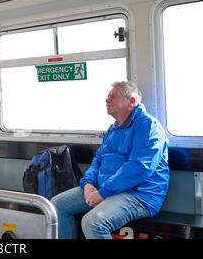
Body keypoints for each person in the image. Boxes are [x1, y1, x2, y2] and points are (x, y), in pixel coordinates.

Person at [50, 81, 169, 239]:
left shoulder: (148, 127)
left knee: (93, 222)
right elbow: (98, 160)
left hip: (139, 195)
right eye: (107, 97)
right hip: (106, 188)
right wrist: (88, 184)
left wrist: (104, 192)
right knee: (57, 206)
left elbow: (139, 168)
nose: (107, 100)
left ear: (132, 101)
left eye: (113, 96)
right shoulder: (113, 129)